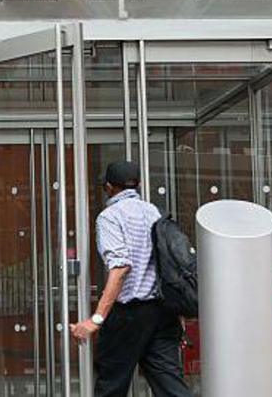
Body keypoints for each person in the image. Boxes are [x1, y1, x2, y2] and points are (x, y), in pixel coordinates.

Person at [70, 161, 191, 397]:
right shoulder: (154, 212)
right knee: (171, 387)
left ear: (108, 187)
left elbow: (121, 267)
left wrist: (96, 319)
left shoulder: (109, 217)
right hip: (163, 312)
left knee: (111, 387)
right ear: (138, 184)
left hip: (128, 314)